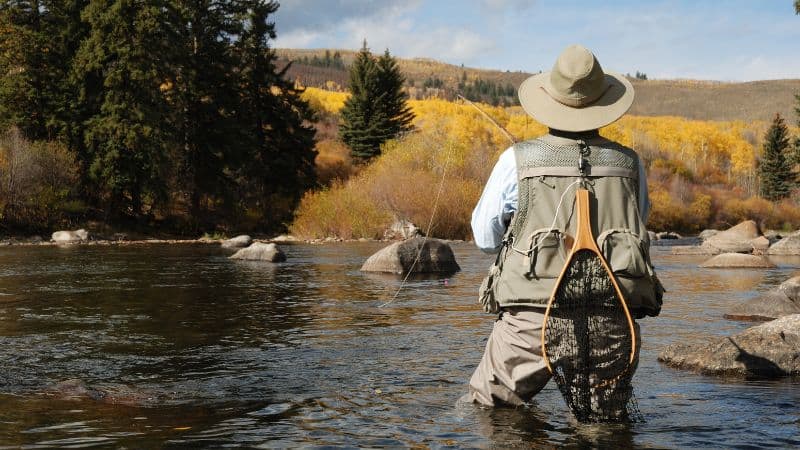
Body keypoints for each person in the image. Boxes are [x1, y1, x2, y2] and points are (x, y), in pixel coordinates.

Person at [468, 44, 664, 409]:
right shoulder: (630, 163)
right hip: (612, 317)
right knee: (604, 432)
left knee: (491, 414)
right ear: (604, 106)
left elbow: (484, 236)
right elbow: (639, 224)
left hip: (529, 319)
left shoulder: (516, 160)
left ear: (550, 101)